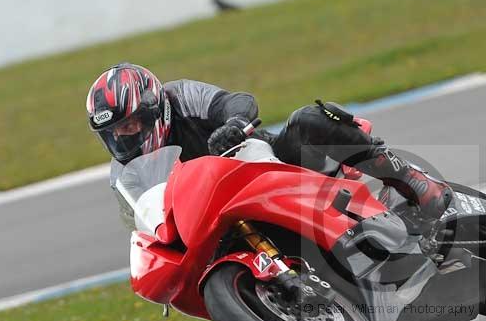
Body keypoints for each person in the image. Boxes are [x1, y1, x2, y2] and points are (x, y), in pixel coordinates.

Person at [86, 62, 451, 228]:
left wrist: (232, 124)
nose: (126, 134)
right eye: (116, 131)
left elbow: (236, 101)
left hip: (270, 165)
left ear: (155, 108)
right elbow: (145, 222)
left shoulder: (180, 96)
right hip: (214, 216)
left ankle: (411, 181)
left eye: (132, 123)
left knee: (308, 119)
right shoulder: (125, 174)